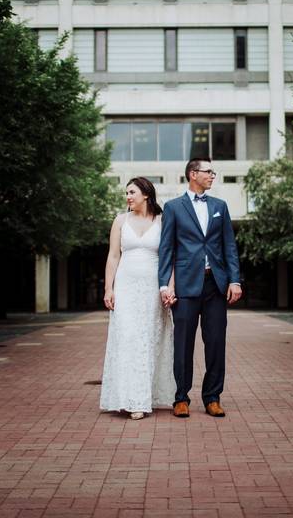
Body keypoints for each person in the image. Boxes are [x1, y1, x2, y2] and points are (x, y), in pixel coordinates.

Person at [158, 157, 242, 418]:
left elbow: (229, 246)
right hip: (185, 285)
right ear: (193, 174)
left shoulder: (220, 206)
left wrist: (235, 280)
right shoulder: (173, 207)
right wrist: (164, 284)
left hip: (215, 284)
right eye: (208, 172)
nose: (212, 176)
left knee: (216, 342)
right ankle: (181, 398)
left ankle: (213, 397)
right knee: (183, 344)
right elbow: (166, 249)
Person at [100, 177, 177, 420]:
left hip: (153, 288)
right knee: (127, 339)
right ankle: (128, 398)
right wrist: (108, 289)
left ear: (146, 194)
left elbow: (171, 258)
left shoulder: (163, 220)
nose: (128, 197)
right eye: (126, 193)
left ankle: (144, 397)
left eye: (131, 192)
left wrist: (170, 287)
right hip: (125, 287)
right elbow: (113, 256)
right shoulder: (120, 221)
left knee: (149, 341)